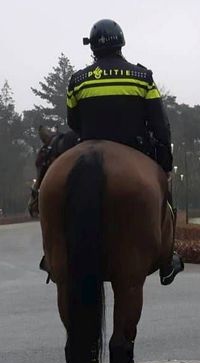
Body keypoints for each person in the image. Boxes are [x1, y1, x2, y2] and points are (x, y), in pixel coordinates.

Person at [67, 18, 183, 284]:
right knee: (166, 197)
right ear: (121, 43)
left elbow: (73, 123)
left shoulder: (77, 81)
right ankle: (167, 258)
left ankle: (52, 256)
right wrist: (165, 165)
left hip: (87, 150)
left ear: (93, 48)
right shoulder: (142, 77)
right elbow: (160, 125)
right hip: (136, 151)